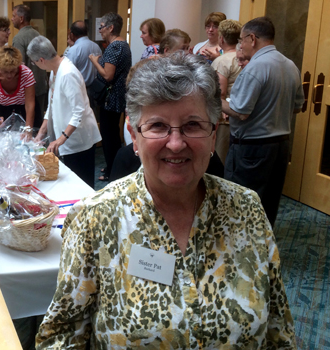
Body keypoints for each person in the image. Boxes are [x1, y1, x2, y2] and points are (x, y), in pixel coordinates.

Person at [36, 52, 296, 349]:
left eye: (193, 125)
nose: (176, 143)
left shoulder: (247, 209)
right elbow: (61, 336)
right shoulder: (96, 219)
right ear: (134, 137)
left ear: (213, 136)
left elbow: (278, 328)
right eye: (158, 126)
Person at [222, 17, 304, 226]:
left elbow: (240, 112)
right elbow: (297, 106)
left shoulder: (256, 68)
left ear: (252, 38)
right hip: (280, 146)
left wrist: (213, 100)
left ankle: (240, 253)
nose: (240, 45)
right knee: (268, 204)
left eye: (241, 40)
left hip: (252, 149)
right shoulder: (290, 65)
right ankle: (264, 251)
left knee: (241, 204)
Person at [29, 36, 102, 188]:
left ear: (41, 60)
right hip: (68, 137)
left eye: (34, 62)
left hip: (79, 139)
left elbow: (79, 111)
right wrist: (41, 133)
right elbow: (52, 103)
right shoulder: (54, 71)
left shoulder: (67, 73)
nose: (35, 65)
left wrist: (61, 139)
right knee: (70, 182)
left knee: (82, 185)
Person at [88, 12, 131, 182]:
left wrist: (94, 61)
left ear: (111, 27)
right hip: (117, 96)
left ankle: (112, 171)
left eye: (102, 27)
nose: (100, 30)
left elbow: (107, 75)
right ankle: (112, 166)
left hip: (110, 98)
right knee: (112, 134)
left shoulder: (114, 46)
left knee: (109, 136)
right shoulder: (123, 44)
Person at [0, 47, 41, 132]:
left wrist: (28, 129)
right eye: (5, 71)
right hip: (5, 113)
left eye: (13, 71)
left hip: (27, 113)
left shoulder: (26, 73)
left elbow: (29, 104)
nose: (9, 75)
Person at [211, 19, 242, 165]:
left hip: (225, 119)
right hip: (240, 114)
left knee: (221, 158)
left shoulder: (222, 61)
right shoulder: (244, 58)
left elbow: (220, 92)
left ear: (221, 38)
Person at [11, 4, 48, 118]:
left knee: (28, 123)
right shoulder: (38, 35)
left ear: (21, 19)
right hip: (41, 86)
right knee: (39, 120)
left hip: (28, 90)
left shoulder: (19, 38)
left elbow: (18, 65)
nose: (12, 19)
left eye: (13, 16)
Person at [64, 20, 102, 87]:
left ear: (72, 35)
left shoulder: (73, 50)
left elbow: (67, 73)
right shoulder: (96, 47)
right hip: (96, 89)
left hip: (79, 89)